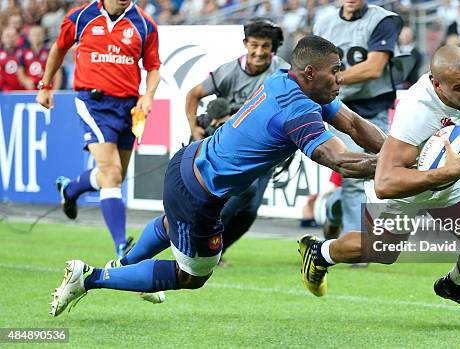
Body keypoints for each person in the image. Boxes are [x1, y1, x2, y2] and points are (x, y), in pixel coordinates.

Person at [49, 35, 387, 317]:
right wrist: (394, 169)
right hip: (199, 195)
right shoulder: (298, 110)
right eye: (336, 71)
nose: (341, 78)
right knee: (191, 277)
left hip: (188, 162)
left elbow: (355, 125)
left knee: (172, 226)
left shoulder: (289, 80)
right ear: (311, 72)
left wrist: (398, 153)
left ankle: (122, 264)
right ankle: (90, 278)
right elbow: (341, 161)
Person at [297, 45, 460, 320]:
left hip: (447, 180)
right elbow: (384, 182)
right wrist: (444, 174)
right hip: (403, 191)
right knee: (383, 251)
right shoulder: (416, 113)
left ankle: (455, 287)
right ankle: (321, 253)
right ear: (437, 84)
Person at [36, 0, 161, 259]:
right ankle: (122, 246)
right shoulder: (80, 17)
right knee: (111, 173)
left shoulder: (145, 25)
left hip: (128, 107)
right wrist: (46, 86)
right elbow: (59, 49)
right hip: (93, 103)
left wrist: (148, 96)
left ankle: (70, 189)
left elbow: (153, 68)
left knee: (115, 175)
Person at [185, 18, 289, 262]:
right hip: (229, 148)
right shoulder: (228, 71)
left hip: (266, 150)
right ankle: (201, 237)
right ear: (246, 44)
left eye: (265, 46)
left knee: (250, 211)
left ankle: (214, 252)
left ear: (273, 49)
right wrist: (195, 129)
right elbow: (193, 95)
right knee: (246, 190)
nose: (259, 52)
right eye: (254, 45)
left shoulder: (283, 73)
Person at [314, 0, 402, 242]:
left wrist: (332, 79)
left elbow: (374, 68)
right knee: (354, 175)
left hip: (375, 106)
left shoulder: (383, 20)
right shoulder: (324, 22)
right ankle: (356, 241)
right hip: (339, 108)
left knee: (382, 171)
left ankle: (334, 208)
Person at [20, 25, 62, 90]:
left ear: (44, 36)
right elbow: (20, 72)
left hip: (46, 88)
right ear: (29, 37)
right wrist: (26, 81)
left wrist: (55, 90)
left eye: (39, 34)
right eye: (34, 35)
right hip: (30, 90)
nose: (36, 37)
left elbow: (57, 72)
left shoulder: (50, 52)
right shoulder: (24, 53)